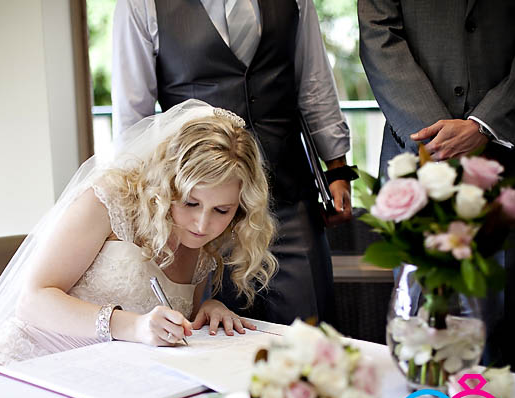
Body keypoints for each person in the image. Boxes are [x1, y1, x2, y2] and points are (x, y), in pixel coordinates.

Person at [0, 99, 277, 387]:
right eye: (190, 202)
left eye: (221, 210)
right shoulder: (109, 201)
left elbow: (167, 320)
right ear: (166, 185)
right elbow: (33, 300)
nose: (203, 224)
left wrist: (206, 309)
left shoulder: (200, 248)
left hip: (102, 382)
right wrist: (132, 325)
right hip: (24, 367)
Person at [111, 0, 356, 326]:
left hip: (289, 197)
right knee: (214, 329)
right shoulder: (140, 5)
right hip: (198, 212)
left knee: (311, 329)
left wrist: (337, 168)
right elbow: (132, 117)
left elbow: (315, 85)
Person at [358, 1, 515, 372]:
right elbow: (378, 31)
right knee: (420, 342)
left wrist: (485, 124)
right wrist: (437, 139)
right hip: (418, 162)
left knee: (512, 350)